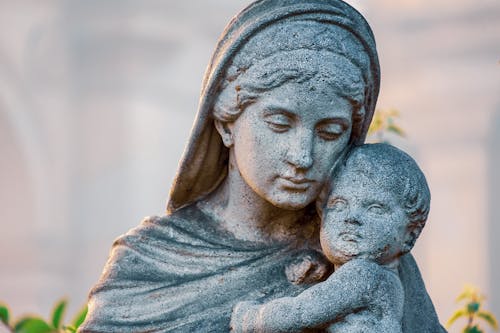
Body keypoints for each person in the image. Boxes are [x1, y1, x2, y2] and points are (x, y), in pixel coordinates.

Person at [78, 1, 444, 332]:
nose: (302, 156)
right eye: (280, 124)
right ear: (226, 121)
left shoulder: (364, 248)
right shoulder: (148, 266)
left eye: (331, 132)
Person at [230, 143, 431, 333]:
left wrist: (252, 318)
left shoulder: (364, 274)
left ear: (410, 235)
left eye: (375, 209)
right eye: (339, 204)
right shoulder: (385, 282)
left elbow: (302, 313)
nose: (352, 218)